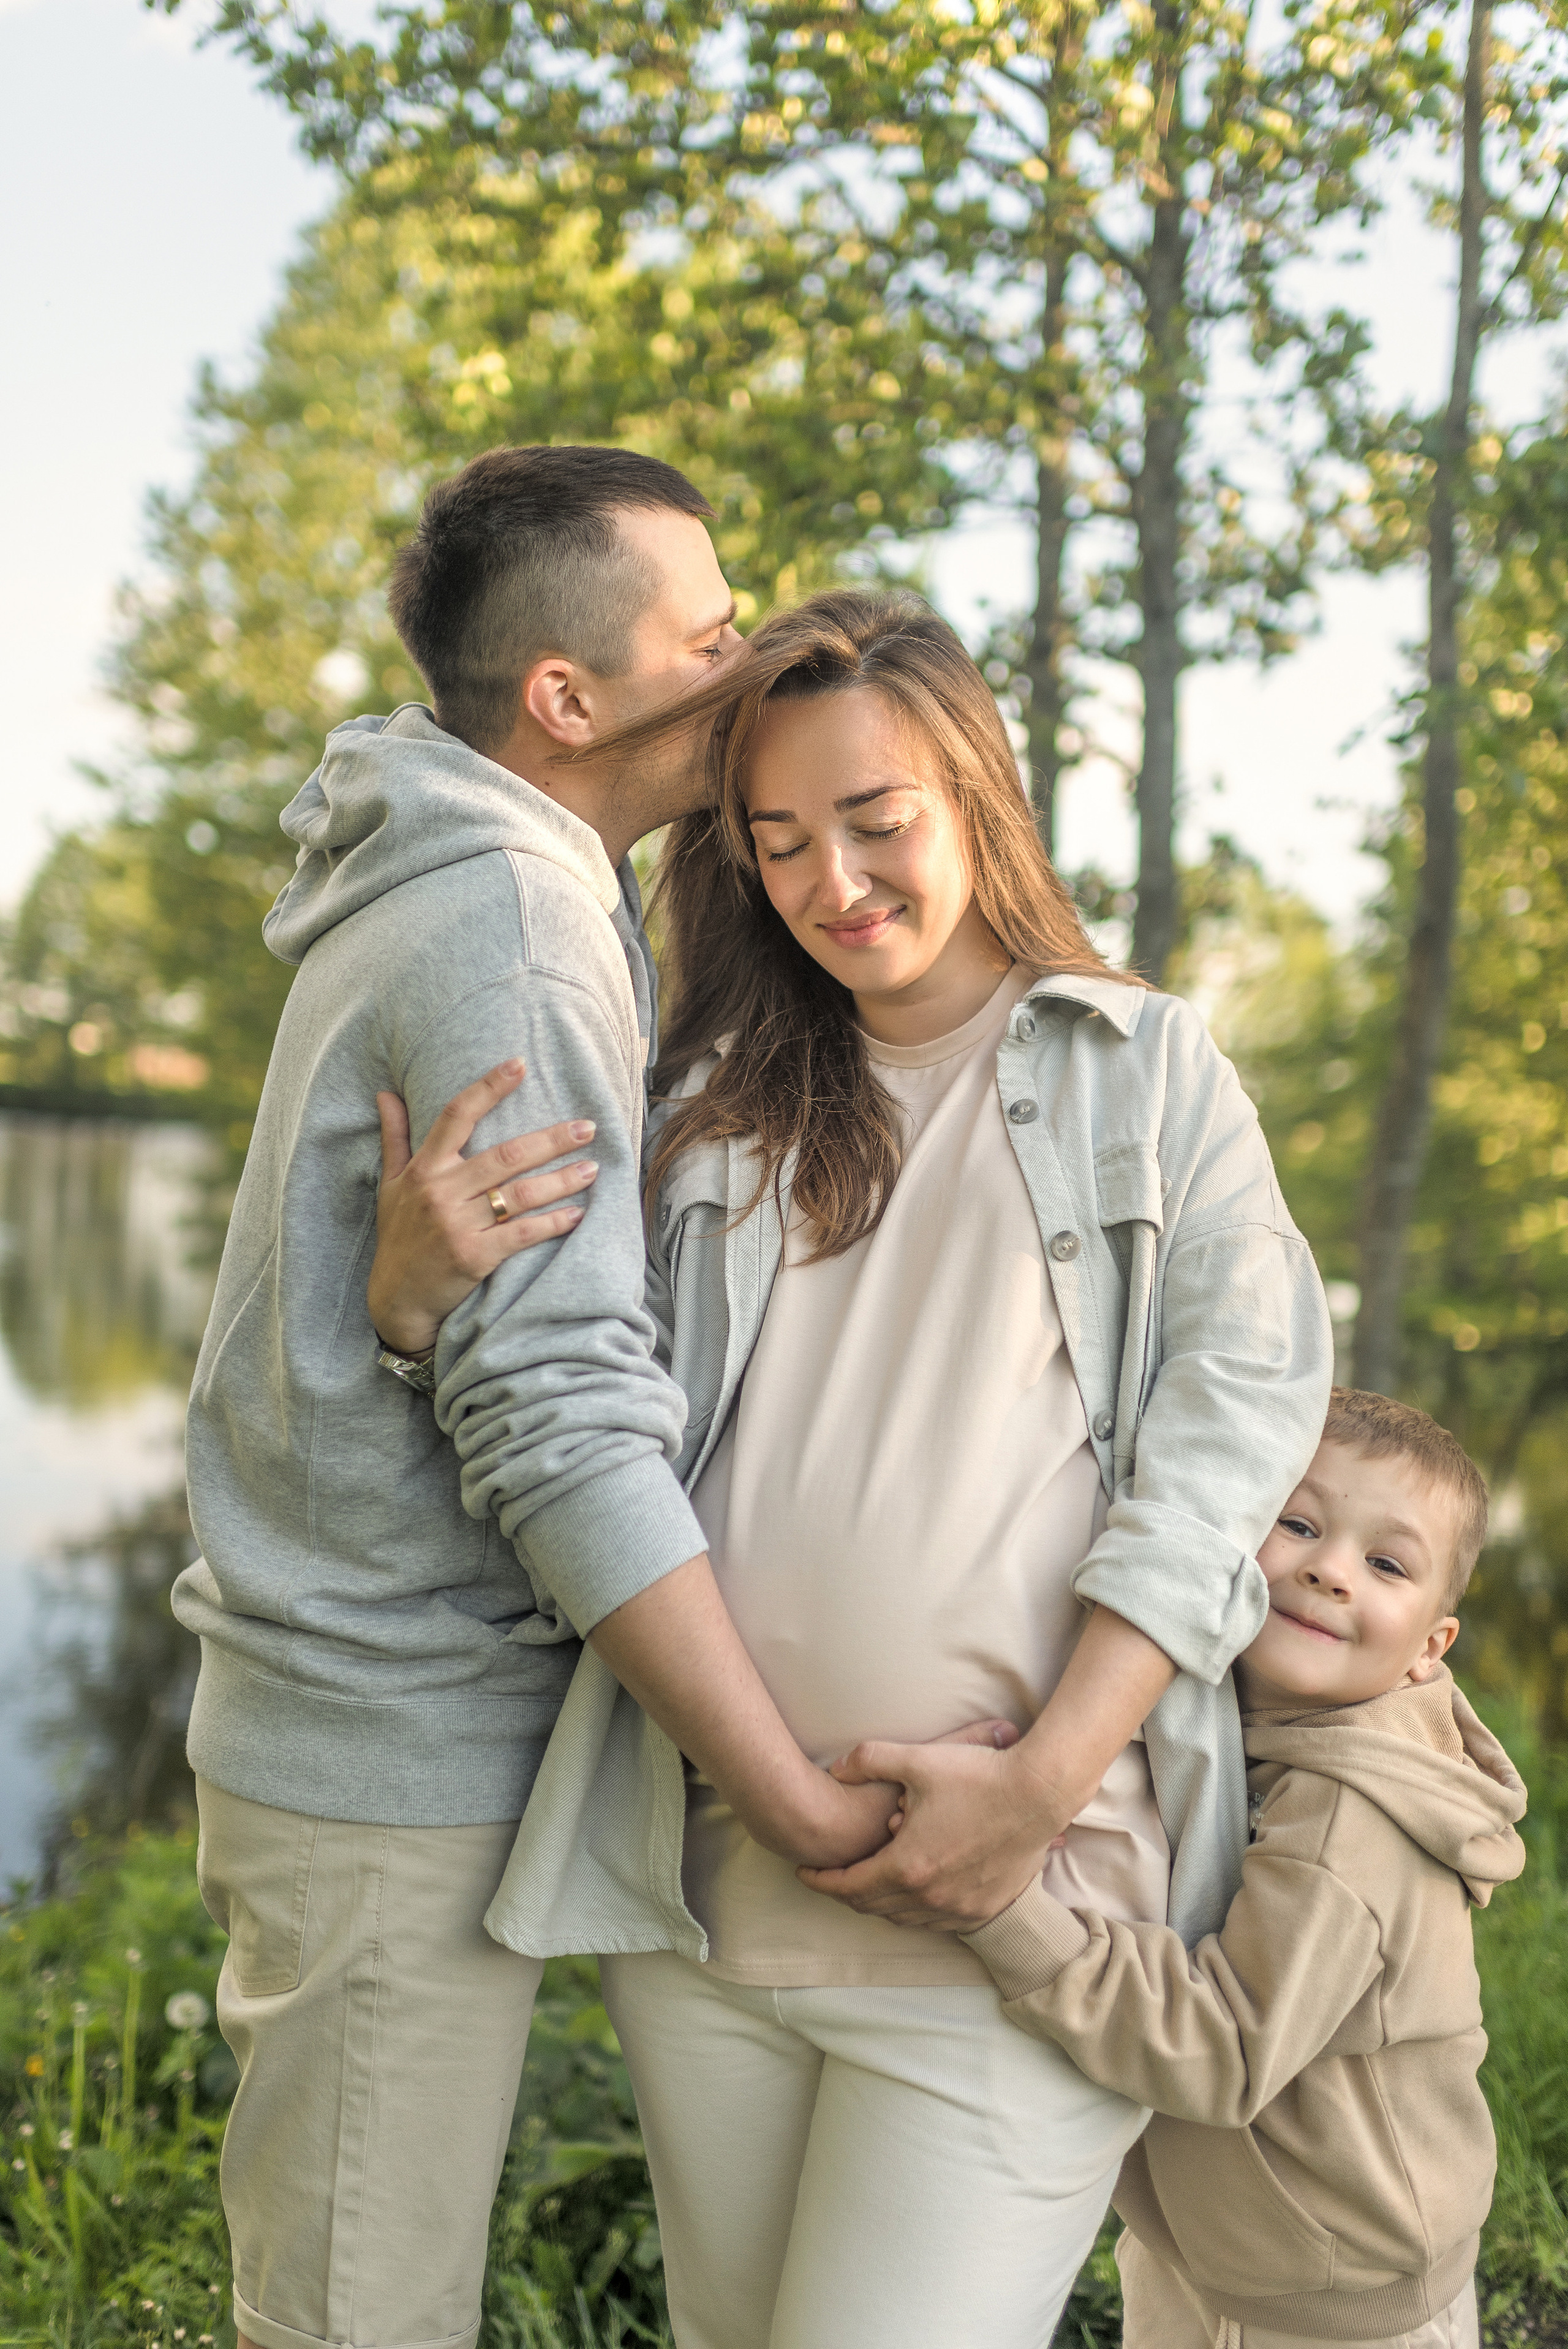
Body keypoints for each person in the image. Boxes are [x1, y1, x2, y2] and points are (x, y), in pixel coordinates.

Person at [367, 585, 1336, 2348]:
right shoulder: (710, 1101)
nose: (838, 883)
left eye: (879, 822)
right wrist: (416, 1308)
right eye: (782, 839)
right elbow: (562, 1414)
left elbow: (1230, 1450)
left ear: (976, 791)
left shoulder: (1148, 1072)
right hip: (717, 1910)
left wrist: (1042, 1780)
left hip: (1033, 1918)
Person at [175, 448, 913, 2349]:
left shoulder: (480, 878)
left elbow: (505, 1328)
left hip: (392, 1717)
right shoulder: (509, 921)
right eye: (711, 627)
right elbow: (564, 1408)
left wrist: (413, 1326)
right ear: (568, 699)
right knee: (356, 2315)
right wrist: (788, 1790)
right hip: (386, 1726)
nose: (748, 655)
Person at [959, 1388, 1525, 2349]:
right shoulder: (1245, 1726)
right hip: (1220, 2240)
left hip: (1335, 2295)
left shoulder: (1352, 1820)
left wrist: (999, 1904)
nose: (1329, 1569)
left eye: (1386, 1563)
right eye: (1298, 1522)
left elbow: (1223, 2046)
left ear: (1431, 1648)